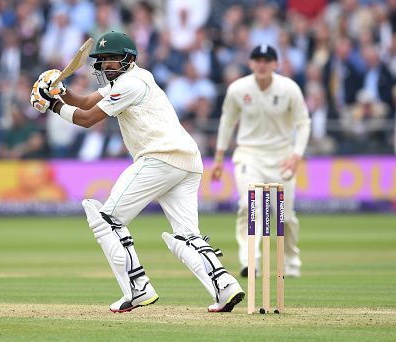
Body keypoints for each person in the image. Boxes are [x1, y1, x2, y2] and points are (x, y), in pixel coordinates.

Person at [29, 31, 244, 313]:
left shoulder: (129, 85)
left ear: (129, 59)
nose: (106, 65)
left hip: (160, 158)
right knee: (186, 236)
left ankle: (138, 288)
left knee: (107, 219)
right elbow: (85, 102)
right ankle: (225, 286)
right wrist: (60, 91)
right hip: (187, 161)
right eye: (102, 60)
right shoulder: (137, 79)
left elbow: (87, 119)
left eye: (112, 59)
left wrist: (53, 106)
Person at [211, 45, 311, 278]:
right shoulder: (238, 89)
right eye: (257, 59)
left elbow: (303, 123)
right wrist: (218, 158)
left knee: (283, 217)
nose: (262, 64)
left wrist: (297, 155)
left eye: (267, 60)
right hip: (249, 155)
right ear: (250, 63)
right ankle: (250, 261)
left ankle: (291, 261)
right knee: (249, 206)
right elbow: (227, 122)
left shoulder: (289, 88)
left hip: (282, 157)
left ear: (276, 64)